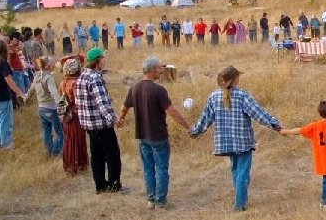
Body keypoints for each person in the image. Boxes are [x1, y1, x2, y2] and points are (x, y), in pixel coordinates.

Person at [191, 66, 282, 211]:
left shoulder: (213, 97)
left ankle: (240, 197)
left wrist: (195, 131)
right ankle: (240, 204)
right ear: (234, 80)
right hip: (243, 142)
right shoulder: (242, 96)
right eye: (238, 76)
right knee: (243, 172)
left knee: (236, 170)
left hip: (225, 143)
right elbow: (257, 113)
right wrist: (275, 124)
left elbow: (205, 119)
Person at [117, 57, 192, 209]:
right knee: (162, 168)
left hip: (142, 136)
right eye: (159, 68)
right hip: (158, 135)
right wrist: (188, 126)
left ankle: (151, 199)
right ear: (151, 70)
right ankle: (160, 201)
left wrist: (121, 119)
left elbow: (124, 107)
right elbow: (171, 111)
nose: (161, 70)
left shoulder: (135, 88)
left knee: (148, 168)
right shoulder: (158, 90)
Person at [75, 48, 126, 194]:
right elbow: (102, 103)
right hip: (101, 125)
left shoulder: (82, 76)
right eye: (103, 58)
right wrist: (115, 119)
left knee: (96, 156)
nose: (105, 60)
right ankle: (114, 186)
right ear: (97, 61)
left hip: (89, 125)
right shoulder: (95, 78)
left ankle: (100, 186)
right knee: (112, 155)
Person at [0, 38, 27, 150]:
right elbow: (9, 81)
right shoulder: (3, 64)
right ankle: (6, 146)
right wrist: (21, 93)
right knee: (5, 124)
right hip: (3, 97)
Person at [26, 56, 63, 157]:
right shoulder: (48, 78)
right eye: (52, 62)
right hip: (51, 108)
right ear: (47, 66)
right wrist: (62, 105)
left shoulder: (37, 75)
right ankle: (56, 152)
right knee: (60, 133)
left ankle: (48, 151)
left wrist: (26, 99)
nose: (54, 63)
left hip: (41, 108)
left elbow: (31, 90)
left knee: (46, 131)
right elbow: (54, 93)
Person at [58, 57, 89, 176]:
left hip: (66, 115)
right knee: (77, 140)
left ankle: (69, 164)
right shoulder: (75, 83)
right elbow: (78, 100)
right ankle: (78, 164)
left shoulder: (62, 82)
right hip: (76, 116)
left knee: (69, 140)